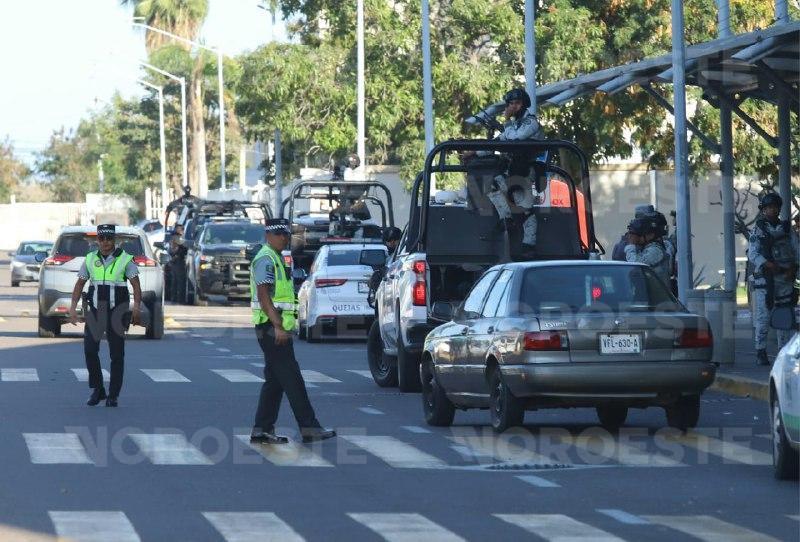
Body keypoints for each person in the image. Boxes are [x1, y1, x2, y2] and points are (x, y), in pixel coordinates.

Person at [249, 218, 336, 444]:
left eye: (286, 234)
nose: (283, 238)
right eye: (279, 234)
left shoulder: (276, 257)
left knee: (275, 382)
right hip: (271, 328)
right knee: (292, 379)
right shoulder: (266, 258)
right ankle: (309, 428)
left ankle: (262, 429)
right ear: (268, 235)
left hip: (275, 327)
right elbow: (263, 296)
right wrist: (278, 326)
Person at [68, 224, 141, 407]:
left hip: (117, 311)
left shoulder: (125, 259)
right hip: (96, 310)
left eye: (109, 239)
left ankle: (113, 395)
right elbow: (79, 284)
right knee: (90, 350)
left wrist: (136, 308)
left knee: (116, 354)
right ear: (97, 240)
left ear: (114, 240)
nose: (106, 242)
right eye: (102, 239)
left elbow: (136, 285)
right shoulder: (90, 258)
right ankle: (98, 389)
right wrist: (73, 308)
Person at [748, 193, 798, 365]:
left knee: (783, 316)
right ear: (764, 210)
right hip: (765, 280)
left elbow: (797, 251)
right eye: (769, 207)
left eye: (775, 207)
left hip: (784, 279)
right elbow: (753, 254)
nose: (772, 210)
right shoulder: (759, 229)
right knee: (763, 317)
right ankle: (760, 351)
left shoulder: (787, 229)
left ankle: (783, 351)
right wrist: (767, 264)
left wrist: (793, 268)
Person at [624, 217, 671, 284]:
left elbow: (635, 264)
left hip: (656, 290)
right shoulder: (643, 248)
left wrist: (631, 245)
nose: (632, 237)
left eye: (638, 234)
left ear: (650, 235)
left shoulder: (655, 250)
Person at [168, 223, 187, 303]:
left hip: (177, 261)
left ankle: (177, 298)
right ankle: (178, 299)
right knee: (178, 281)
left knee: (177, 281)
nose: (181, 230)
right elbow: (173, 250)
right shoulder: (176, 238)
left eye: (182, 229)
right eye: (180, 229)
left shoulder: (178, 238)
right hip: (177, 261)